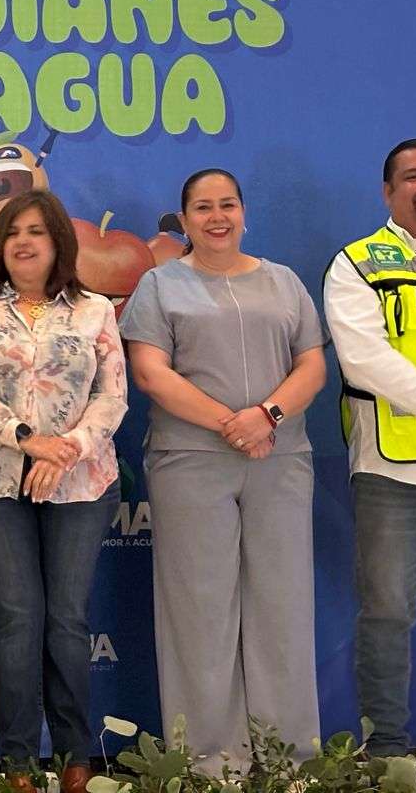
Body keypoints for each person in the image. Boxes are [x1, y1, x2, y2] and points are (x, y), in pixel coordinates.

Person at [123, 168, 324, 770]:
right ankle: (212, 763)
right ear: (184, 220)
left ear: (243, 213)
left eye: (228, 205)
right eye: (203, 208)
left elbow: (312, 365)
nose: (217, 217)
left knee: (284, 607)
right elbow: (150, 372)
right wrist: (230, 424)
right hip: (190, 461)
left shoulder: (284, 282)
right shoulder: (159, 284)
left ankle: (289, 760)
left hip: (279, 459)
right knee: (199, 610)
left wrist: (266, 416)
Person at [0, 189, 125, 792]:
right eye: (13, 231)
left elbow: (112, 396)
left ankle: (75, 759)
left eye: (36, 231)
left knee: (67, 620)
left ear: (58, 242)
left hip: (80, 482)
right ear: (0, 244)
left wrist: (66, 449)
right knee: (17, 617)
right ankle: (18, 765)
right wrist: (27, 440)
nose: (23, 241)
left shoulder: (96, 310)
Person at [325, 137, 416, 755]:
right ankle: (387, 752)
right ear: (388, 192)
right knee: (386, 615)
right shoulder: (357, 263)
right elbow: (364, 358)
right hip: (394, 472)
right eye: (413, 176)